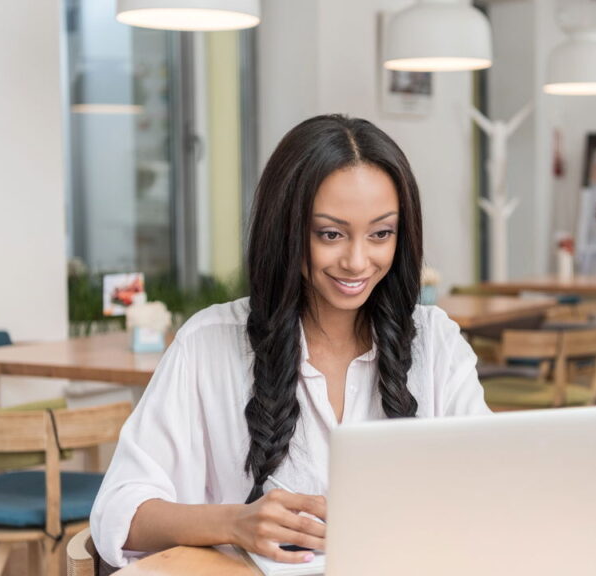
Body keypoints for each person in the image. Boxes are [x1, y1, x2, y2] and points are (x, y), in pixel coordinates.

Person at [90, 114, 490, 569]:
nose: (357, 261)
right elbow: (119, 512)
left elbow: (487, 482)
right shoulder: (208, 344)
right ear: (287, 229)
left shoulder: (435, 341)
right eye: (330, 234)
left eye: (381, 234)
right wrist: (234, 523)